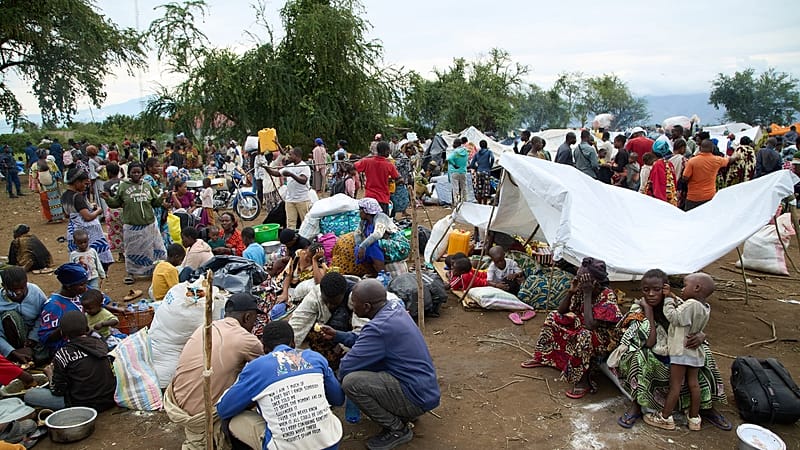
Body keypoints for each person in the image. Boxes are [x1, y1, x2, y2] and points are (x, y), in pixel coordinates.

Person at [611, 269, 729, 431]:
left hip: (678, 352)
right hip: (653, 351)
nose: (651, 294)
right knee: (640, 358)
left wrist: (701, 335)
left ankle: (705, 407)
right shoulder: (639, 309)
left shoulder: (679, 303)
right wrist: (650, 312)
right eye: (646, 290)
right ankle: (637, 406)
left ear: (665, 289)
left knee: (705, 353)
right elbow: (650, 341)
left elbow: (696, 322)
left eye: (657, 290)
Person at [332, 280, 440, 450]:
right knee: (370, 365)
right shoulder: (394, 311)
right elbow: (366, 341)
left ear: (367, 307)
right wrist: (339, 336)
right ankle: (403, 413)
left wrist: (329, 389)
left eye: (355, 303)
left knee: (351, 382)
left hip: (415, 397)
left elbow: (347, 366)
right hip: (424, 391)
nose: (352, 306)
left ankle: (397, 428)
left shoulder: (379, 327)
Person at [217, 321, 345, 450]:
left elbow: (223, 409)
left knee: (232, 420)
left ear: (264, 348)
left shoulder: (256, 367)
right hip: (330, 442)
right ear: (293, 343)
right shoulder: (315, 358)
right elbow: (338, 399)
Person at [164, 293, 263, 450]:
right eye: (254, 320)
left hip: (177, 402)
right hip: (201, 414)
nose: (254, 324)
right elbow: (266, 372)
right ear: (247, 317)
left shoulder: (206, 328)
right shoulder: (246, 340)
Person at [521, 257, 622, 399]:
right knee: (553, 317)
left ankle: (583, 380)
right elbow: (561, 311)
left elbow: (590, 325)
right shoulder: (580, 290)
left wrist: (587, 293)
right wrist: (571, 292)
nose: (579, 281)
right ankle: (544, 357)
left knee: (585, 335)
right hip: (583, 326)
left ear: (594, 282)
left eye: (583, 279)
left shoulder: (607, 296)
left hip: (602, 338)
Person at [644, 273, 714, 431]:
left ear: (696, 288)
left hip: (681, 351)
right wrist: (674, 296)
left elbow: (674, 317)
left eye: (685, 285)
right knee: (694, 385)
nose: (682, 289)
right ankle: (694, 418)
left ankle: (665, 417)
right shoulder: (705, 307)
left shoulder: (690, 305)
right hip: (695, 352)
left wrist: (668, 299)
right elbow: (685, 308)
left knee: (675, 385)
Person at [25, 310, 116, 412]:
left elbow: (57, 390)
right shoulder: (100, 343)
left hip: (82, 405)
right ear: (86, 328)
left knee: (30, 395)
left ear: (62, 333)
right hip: (110, 399)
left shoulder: (63, 354)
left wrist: (50, 375)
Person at [102, 161, 168, 284]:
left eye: (139, 172)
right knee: (132, 250)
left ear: (142, 173)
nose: (136, 174)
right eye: (134, 172)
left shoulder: (147, 186)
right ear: (129, 173)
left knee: (155, 249)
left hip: (149, 225)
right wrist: (107, 199)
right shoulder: (123, 186)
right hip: (132, 226)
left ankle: (155, 270)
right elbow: (116, 203)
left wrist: (162, 197)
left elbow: (155, 203)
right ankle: (131, 273)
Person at [289, 272, 367, 369]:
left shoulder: (358, 299)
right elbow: (297, 323)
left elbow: (363, 336)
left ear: (343, 294)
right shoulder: (316, 294)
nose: (329, 306)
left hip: (349, 340)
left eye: (333, 303)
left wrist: (342, 342)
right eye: (326, 302)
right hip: (328, 334)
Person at [62, 168, 114, 271]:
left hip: (73, 231)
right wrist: (99, 211)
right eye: (85, 184)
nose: (86, 186)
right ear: (77, 182)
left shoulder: (65, 196)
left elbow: (67, 214)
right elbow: (87, 217)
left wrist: (88, 207)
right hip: (87, 232)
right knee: (94, 257)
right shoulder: (77, 197)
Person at [38, 263, 89, 355]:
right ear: (69, 286)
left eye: (86, 283)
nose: (86, 288)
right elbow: (46, 338)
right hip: (67, 349)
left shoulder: (80, 293)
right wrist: (66, 328)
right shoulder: (53, 306)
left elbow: (100, 300)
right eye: (82, 284)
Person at [0, 267, 47, 365]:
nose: (18, 292)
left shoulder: (35, 292)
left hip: (35, 334)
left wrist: (33, 338)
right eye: (13, 289)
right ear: (4, 286)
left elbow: (43, 315)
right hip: (10, 338)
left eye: (22, 288)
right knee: (10, 316)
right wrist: (11, 351)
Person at [354, 198, 410, 275]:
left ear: (367, 210)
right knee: (358, 249)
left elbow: (378, 234)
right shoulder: (363, 222)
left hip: (397, 245)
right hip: (383, 245)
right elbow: (357, 233)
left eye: (360, 209)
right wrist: (359, 246)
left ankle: (383, 275)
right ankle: (373, 273)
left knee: (372, 245)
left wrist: (363, 246)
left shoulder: (381, 217)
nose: (359, 212)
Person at [681, 139, 733, 211]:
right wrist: (738, 156)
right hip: (709, 196)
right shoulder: (717, 160)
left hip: (693, 197)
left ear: (699, 148)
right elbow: (729, 160)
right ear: (712, 149)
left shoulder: (692, 161)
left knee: (690, 219)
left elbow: (685, 178)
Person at [267, 147, 311, 230]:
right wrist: (266, 168)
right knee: (290, 223)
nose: (288, 157)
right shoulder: (289, 166)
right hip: (290, 200)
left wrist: (291, 175)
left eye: (291, 155)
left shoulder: (305, 167)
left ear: (297, 156)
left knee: (306, 222)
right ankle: (291, 240)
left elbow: (303, 180)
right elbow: (277, 173)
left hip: (302, 200)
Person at [355, 142, 399, 215]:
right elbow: (397, 178)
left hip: (369, 197)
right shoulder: (389, 165)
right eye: (388, 150)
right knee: (382, 222)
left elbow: (354, 167)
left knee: (369, 221)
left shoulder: (367, 161)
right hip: (383, 198)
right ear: (385, 151)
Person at [644, 140, 678, 206]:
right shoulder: (669, 163)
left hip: (662, 203)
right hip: (670, 201)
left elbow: (658, 188)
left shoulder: (658, 165)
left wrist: (659, 205)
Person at [34, 152, 64, 223]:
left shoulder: (35, 164)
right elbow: (57, 173)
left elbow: (34, 176)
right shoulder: (51, 163)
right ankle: (58, 217)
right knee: (56, 200)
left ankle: (50, 217)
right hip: (53, 184)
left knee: (46, 201)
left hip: (43, 186)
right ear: (45, 155)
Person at [469, 140, 495, 205]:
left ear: (480, 146)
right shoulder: (489, 152)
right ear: (486, 145)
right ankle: (485, 204)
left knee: (479, 189)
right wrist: (490, 166)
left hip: (479, 172)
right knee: (486, 189)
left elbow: (471, 164)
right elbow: (492, 158)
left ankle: (479, 203)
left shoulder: (477, 154)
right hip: (486, 171)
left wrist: (477, 168)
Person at [390, 146, 412, 218]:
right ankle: (394, 213)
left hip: (403, 179)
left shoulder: (407, 159)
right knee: (397, 198)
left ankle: (403, 211)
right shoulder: (403, 159)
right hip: (398, 180)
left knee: (404, 197)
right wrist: (398, 178)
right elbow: (396, 166)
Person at [447, 139, 469, 205]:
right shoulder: (465, 152)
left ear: (455, 144)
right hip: (463, 171)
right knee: (464, 187)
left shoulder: (455, 152)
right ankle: (464, 202)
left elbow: (449, 159)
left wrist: (454, 164)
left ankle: (456, 202)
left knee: (455, 188)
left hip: (455, 172)